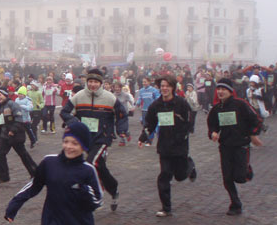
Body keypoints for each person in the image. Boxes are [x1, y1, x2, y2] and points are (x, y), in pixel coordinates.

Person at [61, 68, 128, 211]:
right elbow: (64, 112)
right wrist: (74, 122)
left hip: (102, 137)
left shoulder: (109, 98)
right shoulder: (79, 96)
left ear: (101, 83)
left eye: (96, 82)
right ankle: (113, 189)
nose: (92, 84)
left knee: (90, 163)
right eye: (90, 81)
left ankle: (96, 196)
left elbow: (122, 114)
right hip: (84, 138)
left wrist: (122, 131)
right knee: (100, 167)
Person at [138, 75, 197, 217]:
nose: (164, 88)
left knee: (180, 176)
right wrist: (143, 138)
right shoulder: (156, 105)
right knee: (164, 175)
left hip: (179, 145)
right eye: (162, 86)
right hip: (164, 145)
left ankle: (190, 166)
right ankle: (166, 208)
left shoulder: (181, 103)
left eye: (167, 86)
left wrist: (184, 132)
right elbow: (150, 123)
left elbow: (190, 119)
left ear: (173, 88)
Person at [207, 78, 263, 215]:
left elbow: (256, 120)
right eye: (218, 89)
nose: (220, 92)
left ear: (230, 91)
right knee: (227, 178)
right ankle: (235, 204)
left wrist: (253, 134)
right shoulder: (216, 108)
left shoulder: (241, 104)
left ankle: (247, 170)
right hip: (225, 146)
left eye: (223, 89)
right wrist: (213, 133)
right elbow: (212, 124)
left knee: (240, 177)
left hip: (241, 145)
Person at [0, 88, 37, 184]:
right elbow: (0, 121)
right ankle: (3, 176)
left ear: (5, 95)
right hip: (4, 134)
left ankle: (35, 172)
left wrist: (13, 130)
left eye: (0, 95)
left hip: (15, 135)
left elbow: (19, 118)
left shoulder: (12, 104)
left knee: (23, 154)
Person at [134, 77, 160, 146]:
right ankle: (148, 140)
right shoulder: (141, 90)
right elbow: (140, 98)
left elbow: (157, 99)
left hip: (153, 111)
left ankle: (154, 140)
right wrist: (137, 104)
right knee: (145, 126)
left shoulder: (154, 90)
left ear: (149, 82)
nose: (144, 83)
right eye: (143, 82)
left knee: (153, 125)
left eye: (145, 82)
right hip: (144, 110)